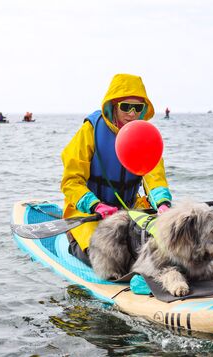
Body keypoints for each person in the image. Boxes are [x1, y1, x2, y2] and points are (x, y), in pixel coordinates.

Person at [60, 73, 172, 265]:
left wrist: (162, 203)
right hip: (90, 213)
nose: (132, 113)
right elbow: (71, 182)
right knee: (107, 257)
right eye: (126, 107)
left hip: (129, 210)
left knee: (166, 247)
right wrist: (96, 205)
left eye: (138, 108)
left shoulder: (144, 136)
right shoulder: (90, 130)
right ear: (113, 106)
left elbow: (155, 176)